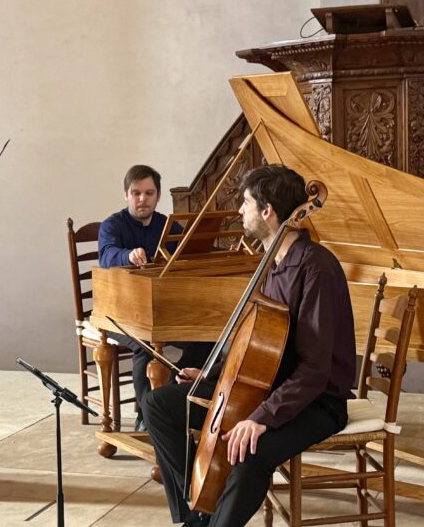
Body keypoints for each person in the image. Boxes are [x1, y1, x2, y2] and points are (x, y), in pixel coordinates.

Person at [141, 164, 356, 527]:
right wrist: (218, 375)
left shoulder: (316, 269)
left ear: (268, 211)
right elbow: (262, 350)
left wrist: (260, 418)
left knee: (246, 452)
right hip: (265, 388)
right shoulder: (271, 265)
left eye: (246, 203)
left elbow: (316, 369)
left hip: (315, 401)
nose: (240, 210)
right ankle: (195, 516)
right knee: (159, 405)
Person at [98, 164, 213, 431]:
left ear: (158, 195)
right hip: (119, 314)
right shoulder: (112, 225)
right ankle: (144, 416)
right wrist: (127, 255)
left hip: (161, 312)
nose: (142, 199)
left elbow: (186, 256)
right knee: (144, 343)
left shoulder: (166, 225)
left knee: (204, 337)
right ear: (126, 195)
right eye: (136, 193)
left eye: (149, 193)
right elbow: (105, 255)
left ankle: (173, 396)